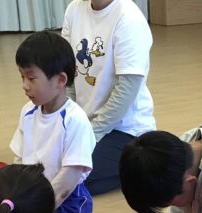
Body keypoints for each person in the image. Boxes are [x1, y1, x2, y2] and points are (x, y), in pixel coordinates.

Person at [61, 0, 155, 195]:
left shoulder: (129, 17)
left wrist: (90, 136)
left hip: (125, 130)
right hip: (86, 123)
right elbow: (68, 73)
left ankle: (137, 166)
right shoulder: (74, 9)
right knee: (47, 162)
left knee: (75, 180)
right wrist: (67, 120)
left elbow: (127, 88)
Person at [11, 31, 95, 213]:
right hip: (35, 197)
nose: (24, 85)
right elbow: (18, 161)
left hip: (67, 203)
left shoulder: (75, 120)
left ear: (60, 80)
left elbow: (68, 179)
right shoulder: (28, 112)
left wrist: (37, 212)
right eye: (22, 77)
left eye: (31, 78)